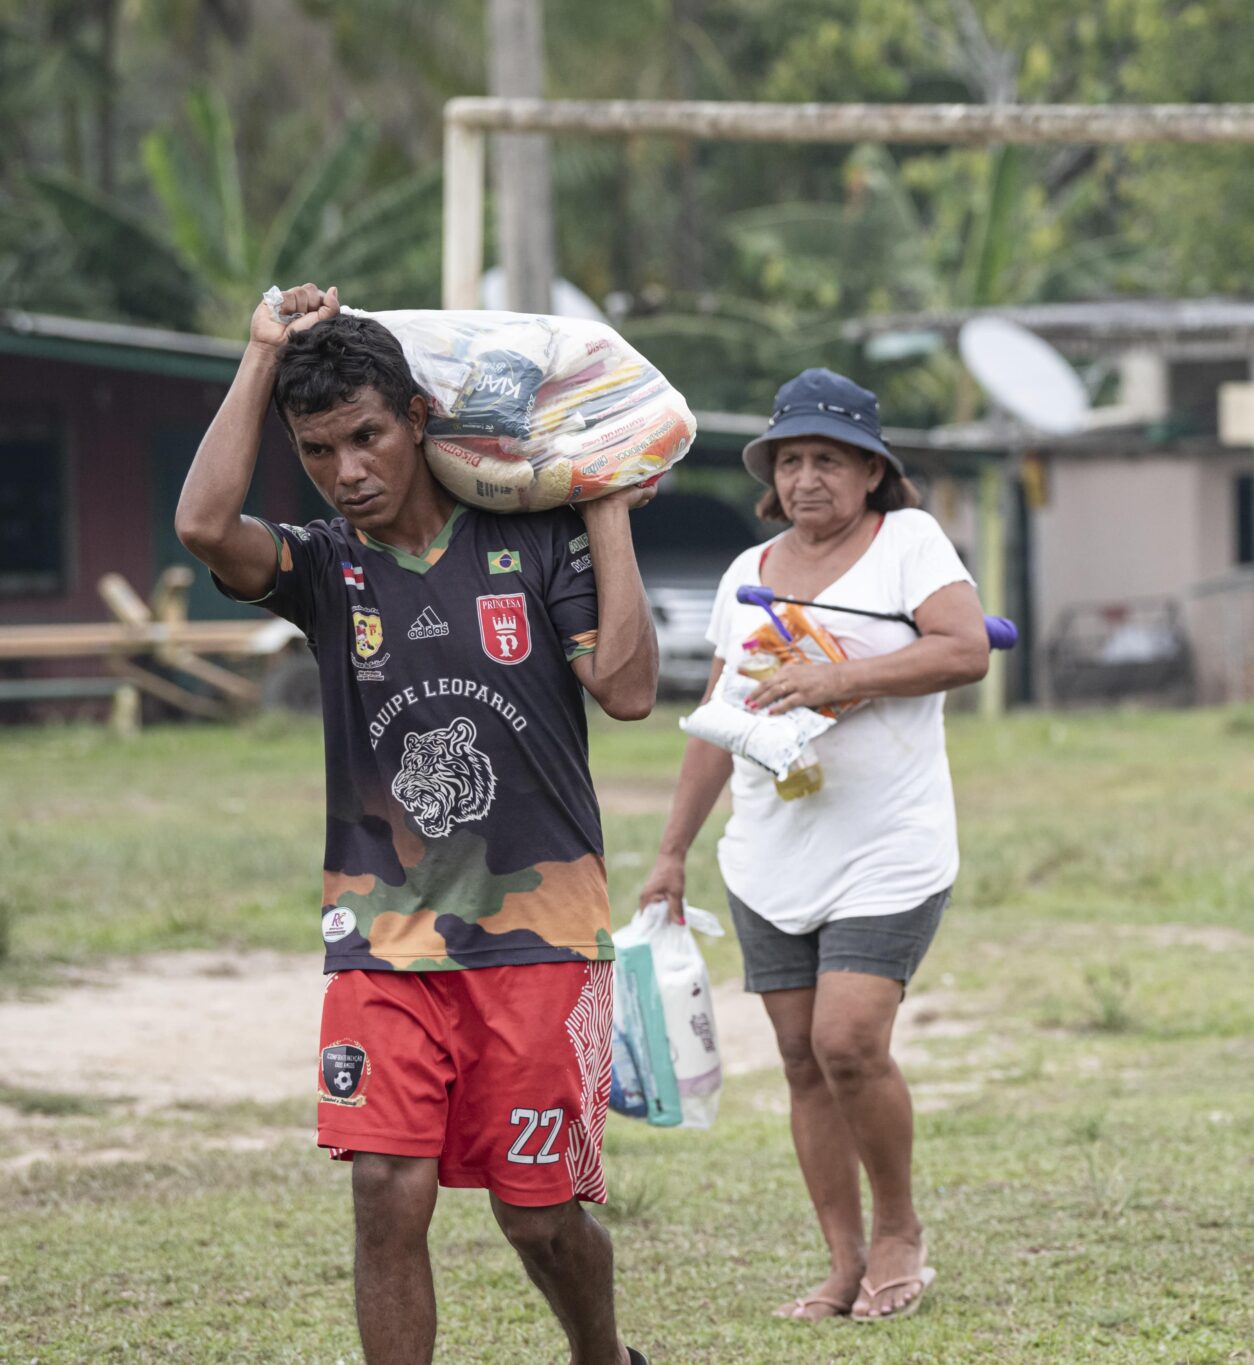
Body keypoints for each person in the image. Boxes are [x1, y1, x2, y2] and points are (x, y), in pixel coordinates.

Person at [175, 284, 659, 1365]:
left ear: (417, 419)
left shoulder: (533, 540)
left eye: (367, 436)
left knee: (537, 1217)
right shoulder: (323, 566)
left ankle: (603, 1357)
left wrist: (606, 509)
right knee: (387, 1191)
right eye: (318, 451)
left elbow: (628, 691)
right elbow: (204, 526)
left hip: (541, 938)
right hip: (383, 939)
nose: (347, 470)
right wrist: (259, 355)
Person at [638, 368, 991, 1325]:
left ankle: (899, 1232)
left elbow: (965, 648)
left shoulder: (909, 543)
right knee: (800, 1059)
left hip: (890, 844)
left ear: (872, 471)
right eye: (790, 460)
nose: (806, 479)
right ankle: (842, 1261)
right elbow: (717, 717)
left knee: (848, 1041)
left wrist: (841, 679)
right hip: (770, 850)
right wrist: (672, 850)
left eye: (829, 460)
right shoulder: (746, 573)